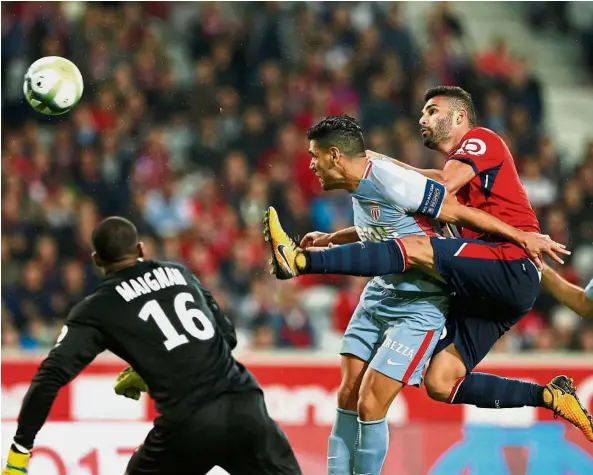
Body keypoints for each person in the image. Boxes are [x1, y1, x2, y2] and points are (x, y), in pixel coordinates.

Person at [264, 112, 591, 462]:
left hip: (479, 278)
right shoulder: (381, 185)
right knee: (437, 382)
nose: (422, 117)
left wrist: (523, 237)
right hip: (480, 276)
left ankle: (298, 262)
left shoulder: (477, 145)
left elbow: (441, 190)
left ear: (459, 115)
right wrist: (332, 237)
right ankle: (550, 396)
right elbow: (392, 225)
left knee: (372, 397)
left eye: (432, 110)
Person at [2, 217, 302, 475]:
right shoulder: (179, 273)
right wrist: (160, 364)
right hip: (246, 406)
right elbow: (227, 336)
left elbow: (51, 376)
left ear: (97, 261)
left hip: (189, 424)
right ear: (141, 249)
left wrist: (19, 451)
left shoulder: (98, 307)